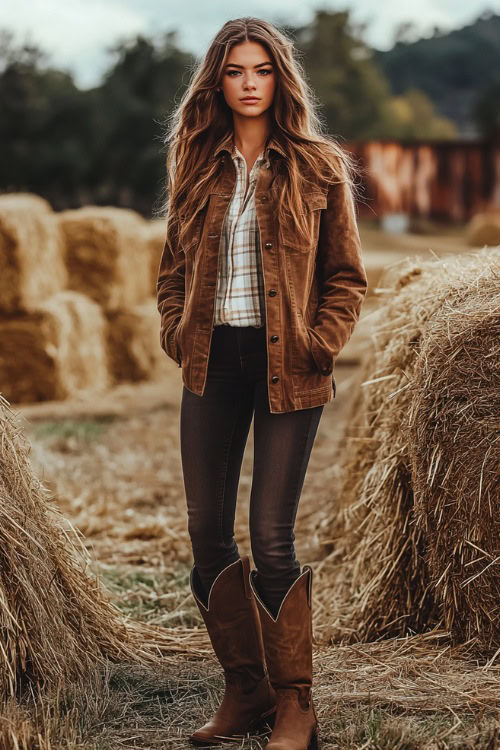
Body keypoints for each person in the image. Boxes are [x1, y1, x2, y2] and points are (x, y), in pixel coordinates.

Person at [157, 17, 368, 749]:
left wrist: (320, 343)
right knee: (205, 534)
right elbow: (172, 272)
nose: (249, 83)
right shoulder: (196, 161)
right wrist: (176, 330)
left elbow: (346, 278)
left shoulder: (318, 166)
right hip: (211, 362)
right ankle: (245, 693)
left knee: (270, 538)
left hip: (290, 367)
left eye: (262, 70)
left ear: (280, 79)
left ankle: (296, 708)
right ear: (218, 81)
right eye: (235, 71)